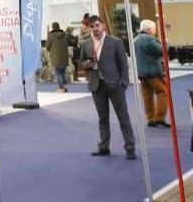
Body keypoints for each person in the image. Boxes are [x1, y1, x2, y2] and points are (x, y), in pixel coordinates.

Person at [80, 15, 136, 160]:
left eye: (97, 25)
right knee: (102, 119)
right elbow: (81, 62)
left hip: (115, 85)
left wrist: (124, 82)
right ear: (89, 28)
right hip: (96, 85)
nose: (95, 29)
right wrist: (87, 64)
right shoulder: (86, 44)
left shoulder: (116, 42)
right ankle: (104, 147)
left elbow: (123, 64)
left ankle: (130, 149)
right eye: (92, 27)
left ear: (103, 25)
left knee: (123, 118)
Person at [134, 19, 169, 128]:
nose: (155, 31)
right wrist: (165, 43)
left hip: (142, 73)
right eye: (154, 29)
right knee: (162, 92)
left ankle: (150, 118)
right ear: (149, 29)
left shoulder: (136, 40)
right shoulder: (149, 39)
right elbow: (161, 51)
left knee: (147, 96)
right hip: (153, 72)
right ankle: (160, 117)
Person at [46, 22, 70, 93]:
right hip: (64, 56)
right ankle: (65, 86)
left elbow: (47, 46)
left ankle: (61, 87)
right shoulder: (64, 35)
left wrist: (51, 49)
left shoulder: (50, 35)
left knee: (58, 72)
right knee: (63, 72)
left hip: (55, 57)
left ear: (53, 27)